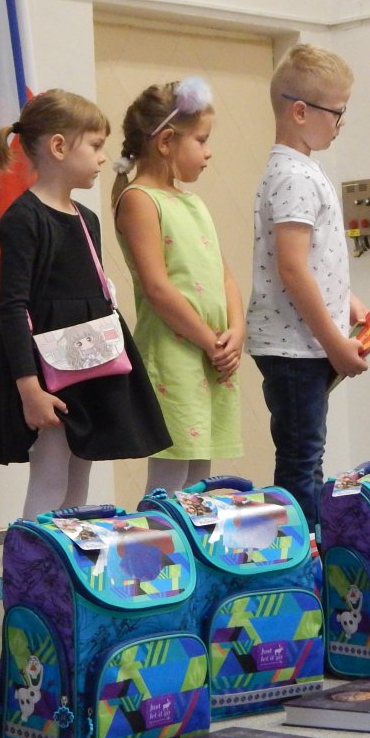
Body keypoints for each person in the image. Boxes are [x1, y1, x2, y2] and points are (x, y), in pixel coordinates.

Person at [0, 89, 171, 519]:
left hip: (90, 363)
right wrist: (29, 387)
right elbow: (12, 307)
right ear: (59, 147)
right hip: (47, 370)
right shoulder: (24, 218)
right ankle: (31, 557)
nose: (103, 158)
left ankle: (70, 553)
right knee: (50, 472)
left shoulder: (87, 218)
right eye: (96, 145)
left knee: (80, 468)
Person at [245, 44, 370, 534]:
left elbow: (314, 258)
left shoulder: (303, 168)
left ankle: (307, 549)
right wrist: (335, 342)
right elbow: (293, 269)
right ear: (300, 112)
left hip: (304, 342)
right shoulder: (293, 175)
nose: (341, 124)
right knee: (301, 461)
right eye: (337, 112)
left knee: (307, 454)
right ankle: (303, 555)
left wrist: (347, 302)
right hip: (293, 347)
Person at [112, 77, 244, 491]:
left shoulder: (193, 202)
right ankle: (159, 535)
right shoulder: (139, 200)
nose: (208, 152)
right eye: (201, 140)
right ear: (167, 141)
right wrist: (209, 340)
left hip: (209, 353)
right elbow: (158, 288)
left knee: (198, 477)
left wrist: (236, 331)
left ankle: (190, 535)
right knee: (170, 477)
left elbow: (224, 274)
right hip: (175, 354)